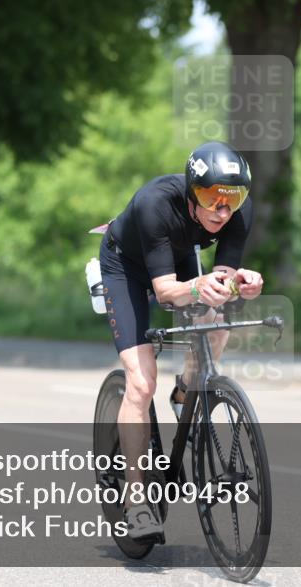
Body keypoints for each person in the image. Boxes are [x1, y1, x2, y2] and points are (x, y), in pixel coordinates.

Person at [100, 141, 264, 539]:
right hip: (128, 267)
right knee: (140, 382)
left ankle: (185, 393)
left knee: (218, 321)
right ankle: (136, 499)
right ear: (192, 191)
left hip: (177, 259)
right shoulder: (154, 203)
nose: (223, 212)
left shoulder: (236, 214)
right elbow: (166, 290)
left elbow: (219, 283)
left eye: (233, 200)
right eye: (212, 199)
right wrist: (198, 287)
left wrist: (239, 283)